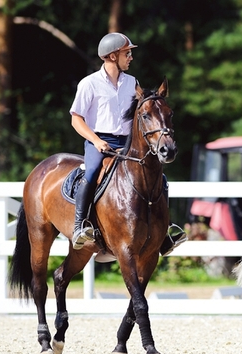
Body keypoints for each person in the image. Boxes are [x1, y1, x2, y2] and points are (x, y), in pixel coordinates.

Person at [69, 32, 186, 253]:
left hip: (129, 143)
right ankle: (80, 226)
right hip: (99, 142)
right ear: (113, 56)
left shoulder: (132, 83)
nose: (130, 57)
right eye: (127, 53)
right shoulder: (89, 84)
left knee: (159, 176)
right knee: (92, 172)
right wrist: (96, 141)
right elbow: (76, 119)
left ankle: (164, 233)